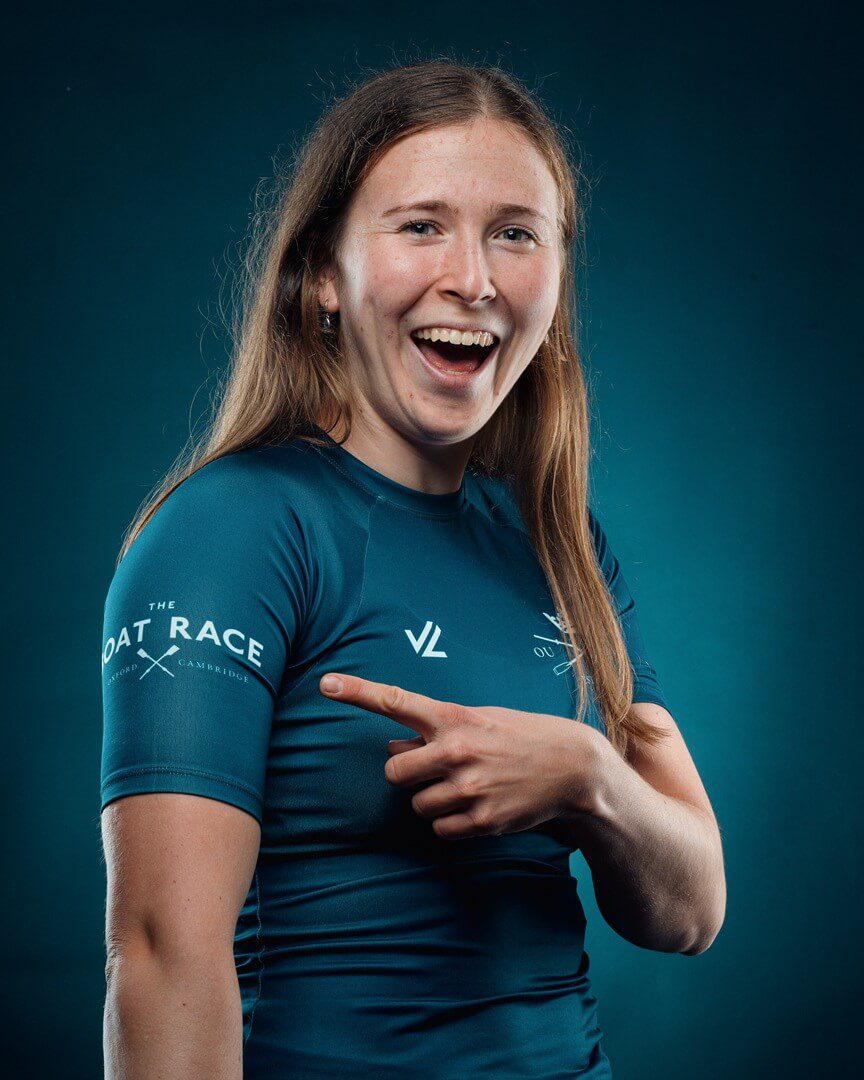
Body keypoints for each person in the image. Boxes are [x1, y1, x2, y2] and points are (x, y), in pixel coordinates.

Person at [100, 59, 725, 1079]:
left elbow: (692, 911)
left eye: (515, 233)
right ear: (323, 277)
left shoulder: (562, 544)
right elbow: (164, 955)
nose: (473, 279)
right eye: (421, 225)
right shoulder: (231, 529)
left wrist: (589, 778)